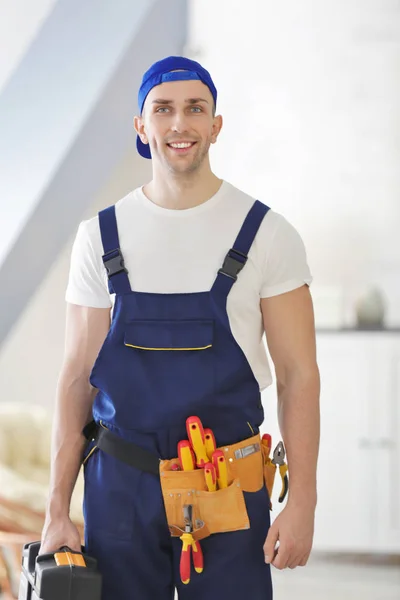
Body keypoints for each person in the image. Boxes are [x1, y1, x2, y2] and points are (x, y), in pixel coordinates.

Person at [40, 55, 320, 600]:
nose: (179, 124)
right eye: (162, 109)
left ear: (215, 125)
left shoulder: (267, 234)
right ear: (141, 127)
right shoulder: (100, 237)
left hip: (229, 486)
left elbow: (299, 376)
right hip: (120, 488)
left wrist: (303, 499)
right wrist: (57, 508)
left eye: (196, 108)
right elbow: (77, 378)